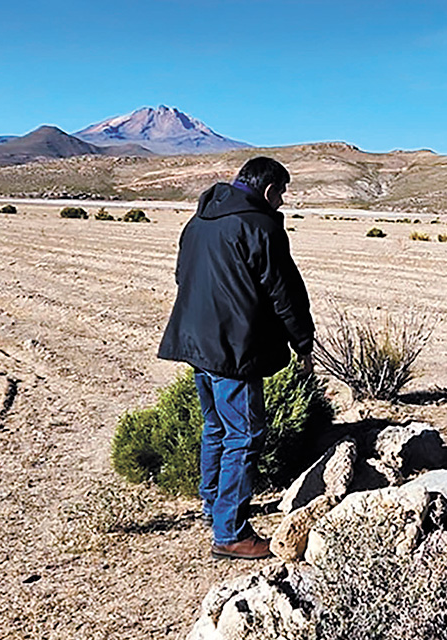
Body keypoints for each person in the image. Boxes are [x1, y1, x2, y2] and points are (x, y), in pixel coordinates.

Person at [158, 156, 315, 560]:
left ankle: (214, 505)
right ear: (267, 190)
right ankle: (230, 531)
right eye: (281, 192)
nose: (281, 201)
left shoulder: (199, 222)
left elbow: (182, 276)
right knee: (244, 435)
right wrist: (303, 341)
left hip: (196, 340)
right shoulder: (260, 225)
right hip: (233, 346)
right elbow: (285, 292)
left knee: (216, 428)